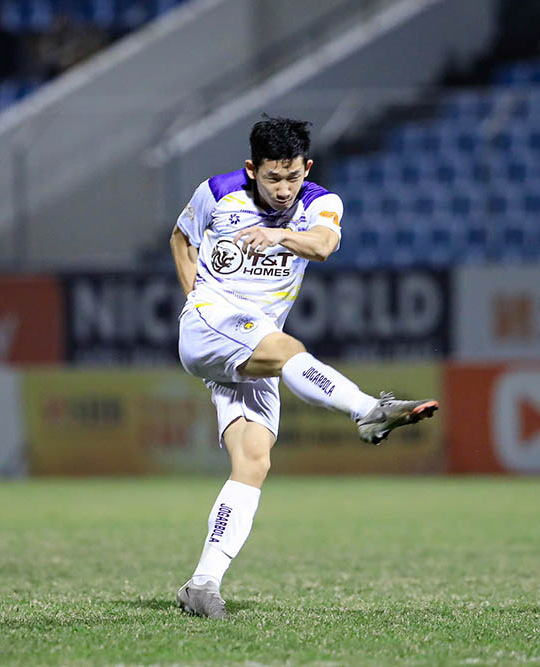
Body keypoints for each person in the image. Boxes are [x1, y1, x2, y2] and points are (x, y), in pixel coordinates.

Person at [169, 116, 438, 618]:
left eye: (292, 177)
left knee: (254, 463)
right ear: (252, 170)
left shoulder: (321, 202)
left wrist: (277, 239)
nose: (283, 189)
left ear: (306, 167)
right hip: (213, 323)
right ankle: (367, 410)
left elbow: (324, 245)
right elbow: (181, 240)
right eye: (272, 178)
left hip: (252, 346)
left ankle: (202, 583)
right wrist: (195, 300)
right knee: (288, 348)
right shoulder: (216, 193)